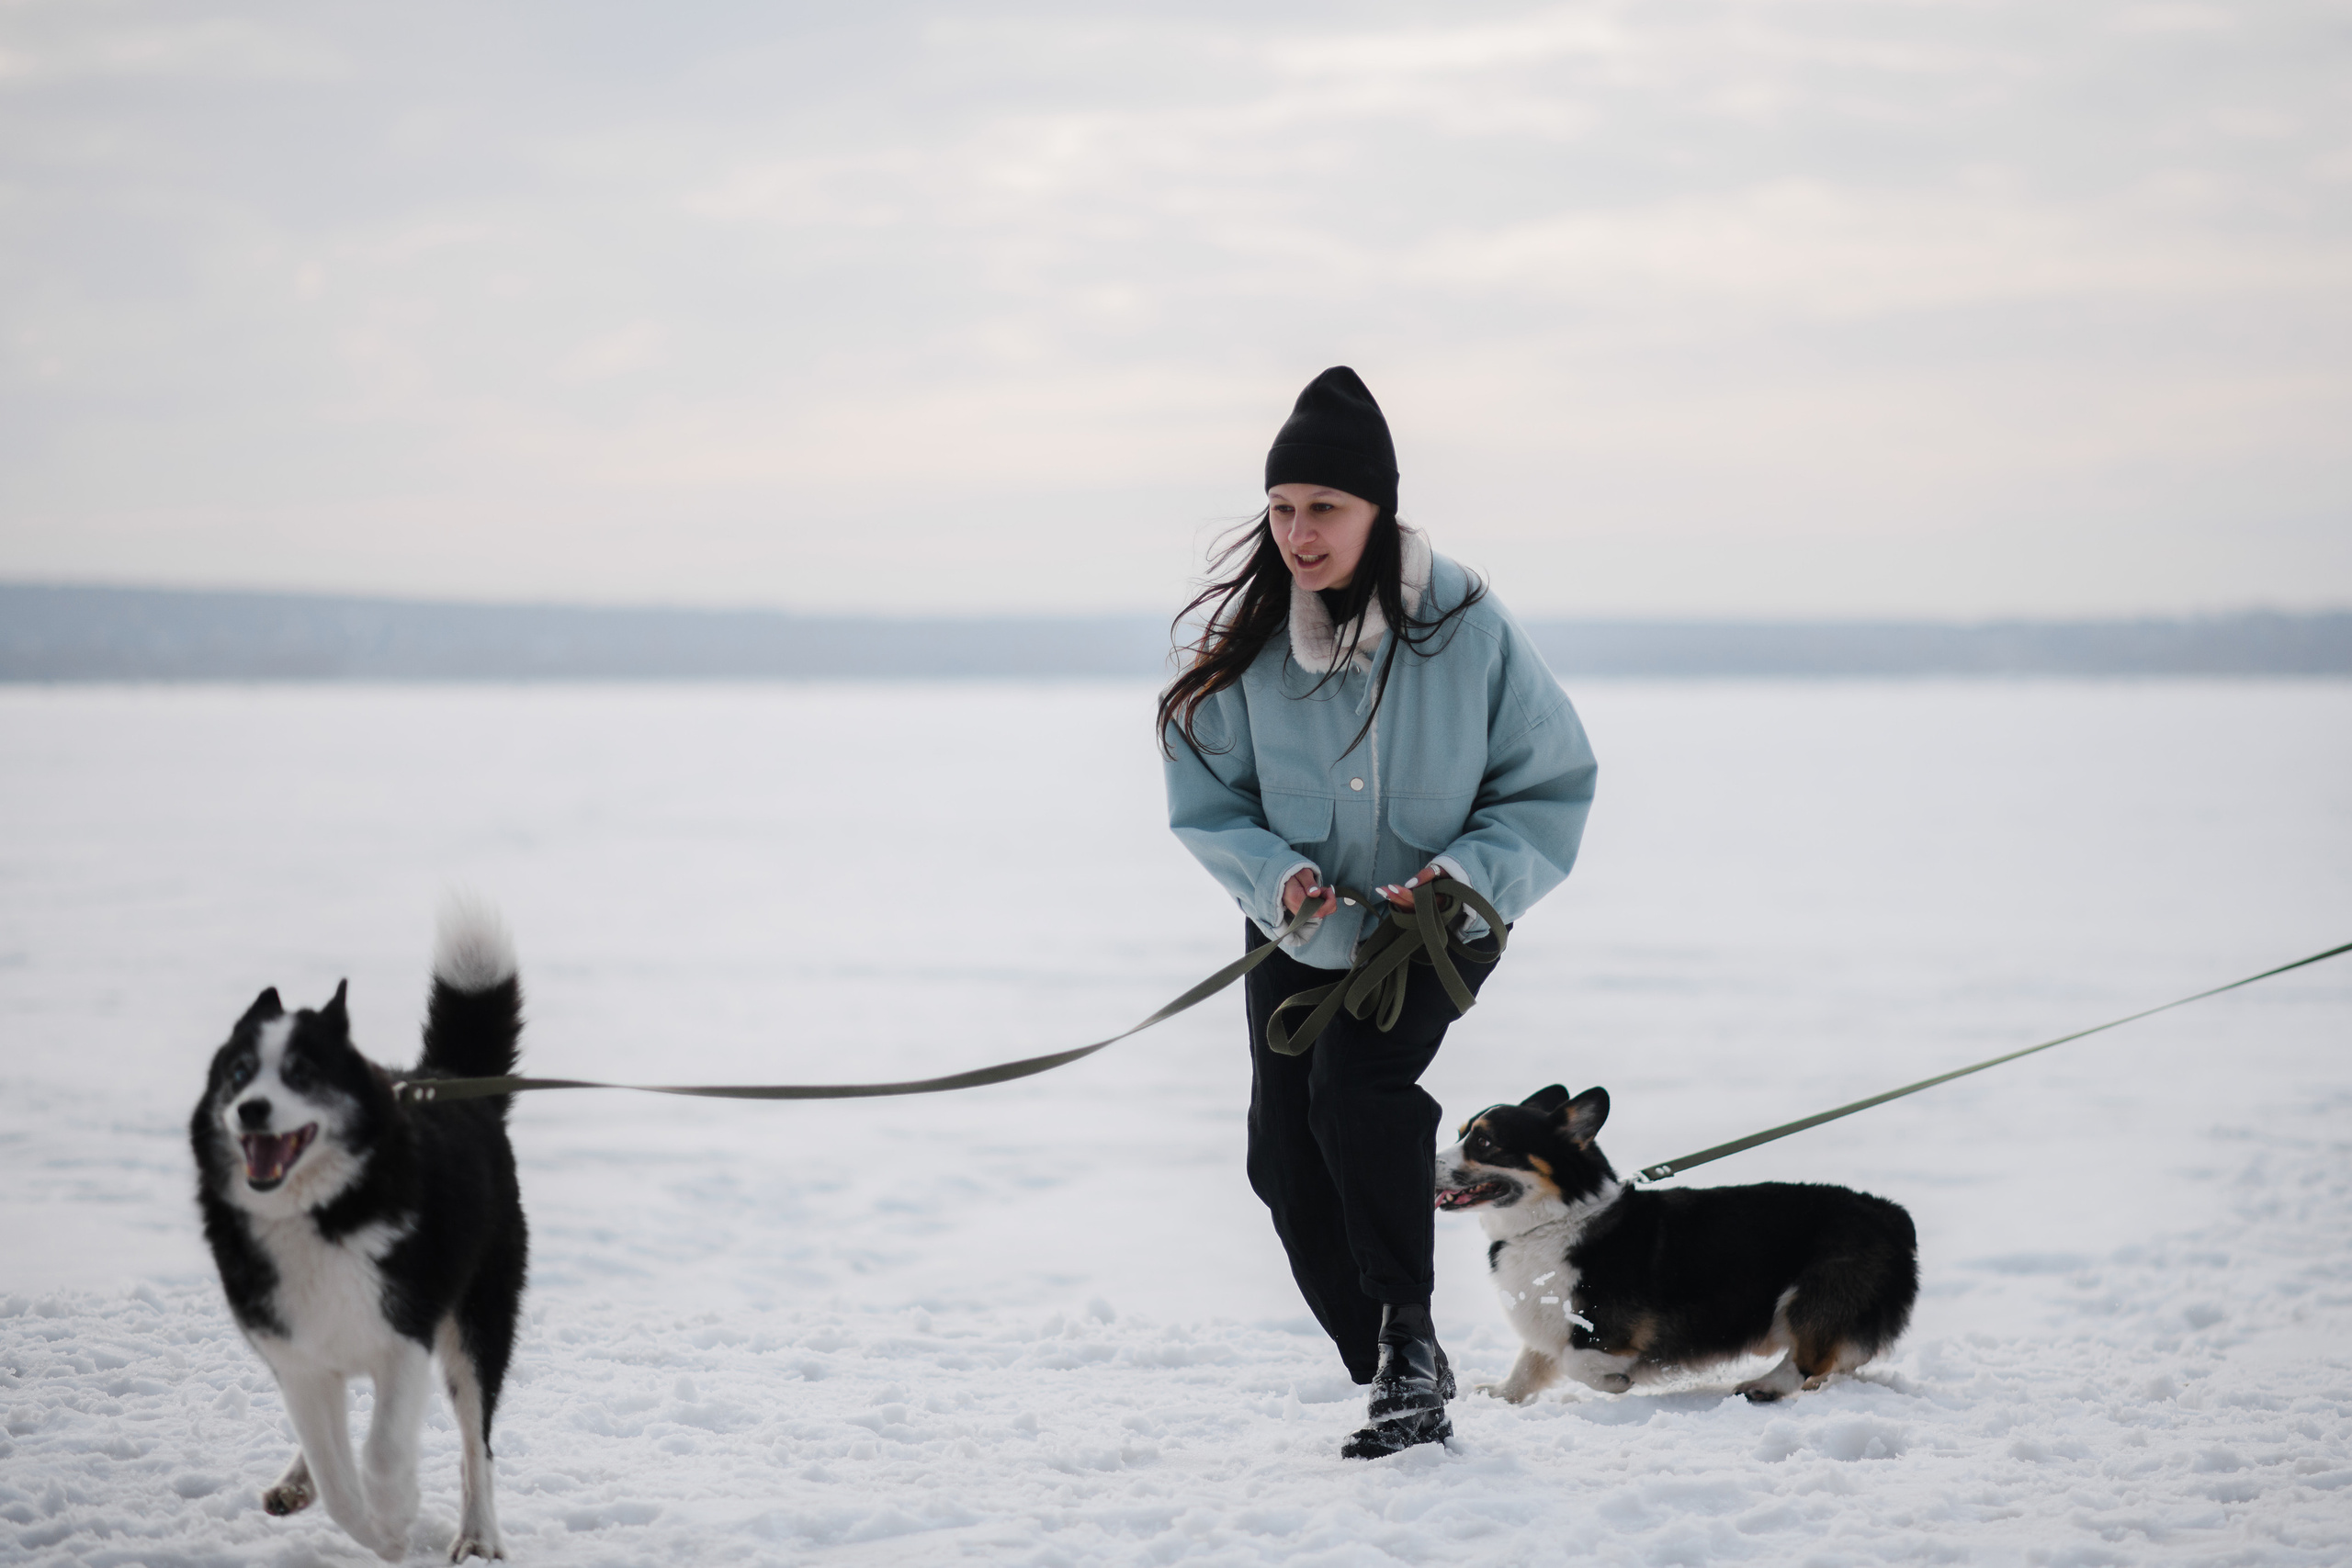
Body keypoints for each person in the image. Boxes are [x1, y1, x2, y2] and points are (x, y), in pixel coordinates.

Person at [1159, 367, 1599, 1458]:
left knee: (1359, 1091)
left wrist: (1464, 881)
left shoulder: (1467, 626)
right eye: (1281, 509)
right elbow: (1208, 800)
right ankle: (1397, 1361)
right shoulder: (1257, 641)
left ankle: (1408, 1352)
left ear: (1378, 511)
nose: (1298, 534)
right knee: (1283, 1156)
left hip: (1433, 931)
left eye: (1325, 509)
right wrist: (1277, 879)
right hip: (1299, 926)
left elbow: (1550, 782)